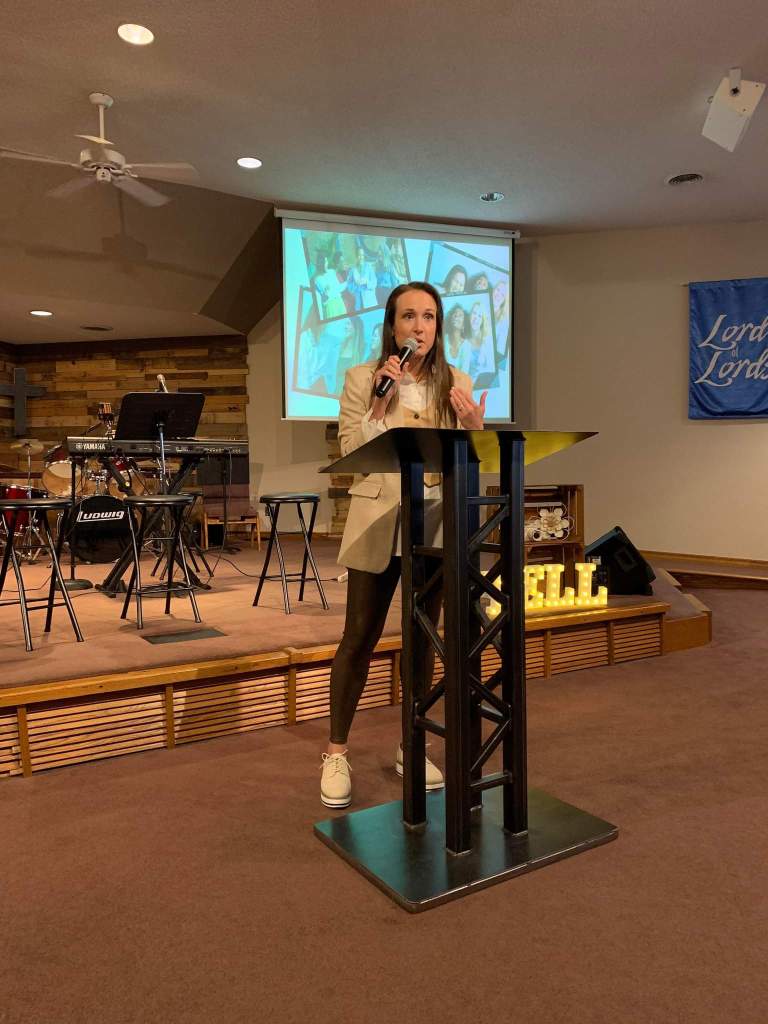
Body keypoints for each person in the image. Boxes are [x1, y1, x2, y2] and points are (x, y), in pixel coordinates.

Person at [320, 281, 487, 808]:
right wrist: (378, 400)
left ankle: (411, 743)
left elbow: (469, 456)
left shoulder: (455, 381)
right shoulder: (361, 379)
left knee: (423, 638)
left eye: (430, 317)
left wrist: (474, 428)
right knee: (359, 637)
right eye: (409, 317)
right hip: (376, 519)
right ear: (392, 326)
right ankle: (335, 751)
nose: (420, 327)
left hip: (432, 525)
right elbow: (350, 450)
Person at [313, 253, 346, 319]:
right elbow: (327, 294)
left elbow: (338, 288)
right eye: (325, 262)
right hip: (330, 305)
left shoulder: (332, 271)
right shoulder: (318, 279)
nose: (327, 263)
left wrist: (346, 283)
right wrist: (328, 291)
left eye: (327, 261)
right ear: (321, 264)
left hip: (339, 302)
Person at [444, 302, 472, 374]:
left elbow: (464, 373)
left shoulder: (467, 346)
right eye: (455, 314)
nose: (456, 316)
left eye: (460, 315)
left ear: (464, 325)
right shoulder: (442, 340)